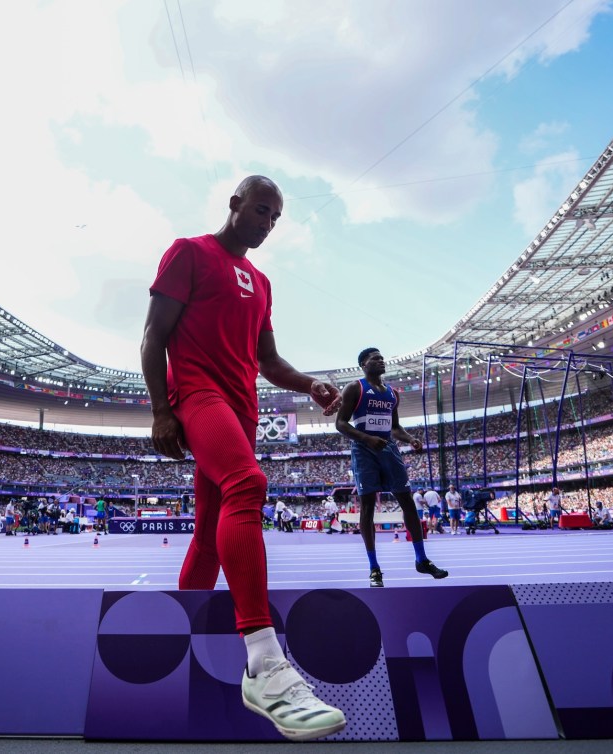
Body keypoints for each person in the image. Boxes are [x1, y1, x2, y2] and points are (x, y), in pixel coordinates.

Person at [141, 175, 346, 741]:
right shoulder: (189, 253)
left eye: (275, 218)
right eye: (260, 210)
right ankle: (264, 664)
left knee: (209, 534)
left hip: (243, 407)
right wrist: (163, 409)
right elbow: (152, 337)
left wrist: (310, 384)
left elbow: (268, 361)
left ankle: (178, 646)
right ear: (234, 204)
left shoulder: (261, 281)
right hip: (199, 397)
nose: (267, 224)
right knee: (248, 485)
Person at [334, 347, 449, 589]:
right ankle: (374, 568)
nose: (381, 361)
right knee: (367, 506)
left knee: (406, 500)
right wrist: (366, 439)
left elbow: (395, 427)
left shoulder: (392, 394)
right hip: (364, 450)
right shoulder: (355, 388)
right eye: (376, 359)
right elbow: (340, 423)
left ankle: (422, 559)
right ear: (364, 364)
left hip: (388, 449)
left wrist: (409, 439)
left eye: (382, 358)